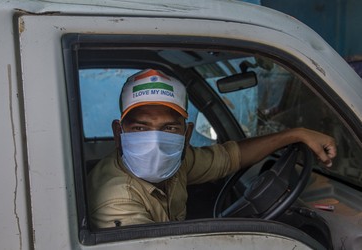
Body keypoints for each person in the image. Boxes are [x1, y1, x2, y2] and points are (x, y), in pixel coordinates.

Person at [87, 69, 336, 228]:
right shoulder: (115, 200)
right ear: (118, 133)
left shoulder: (176, 162)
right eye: (141, 129)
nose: (155, 143)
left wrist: (295, 134)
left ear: (187, 134)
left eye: (170, 129)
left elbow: (231, 157)